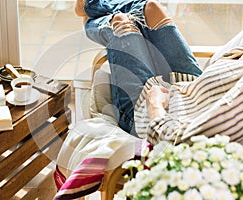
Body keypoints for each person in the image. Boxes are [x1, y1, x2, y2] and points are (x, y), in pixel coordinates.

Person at [75, 0, 202, 138]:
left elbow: (165, 134)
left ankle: (91, 6)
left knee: (120, 22)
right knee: (152, 8)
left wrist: (156, 103)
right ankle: (92, 6)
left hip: (146, 113)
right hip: (194, 87)